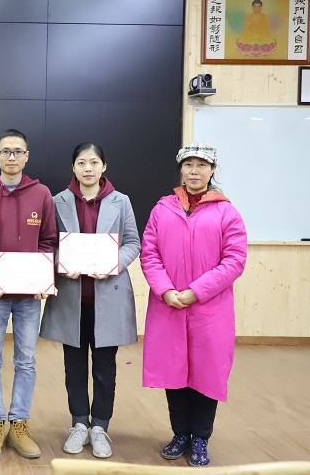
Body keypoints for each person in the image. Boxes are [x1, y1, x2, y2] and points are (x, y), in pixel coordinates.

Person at [140, 143, 247, 467]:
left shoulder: (226, 213)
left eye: (202, 165)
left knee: (206, 373)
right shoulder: (162, 209)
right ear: (181, 169)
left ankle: (200, 436)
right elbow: (150, 253)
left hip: (209, 310)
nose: (194, 171)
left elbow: (234, 260)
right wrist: (165, 290)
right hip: (169, 306)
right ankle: (180, 434)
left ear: (212, 170)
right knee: (173, 371)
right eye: (189, 165)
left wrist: (195, 292)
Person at [39, 142, 140, 459]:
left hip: (108, 296)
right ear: (73, 167)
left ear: (103, 167)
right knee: (74, 366)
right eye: (81, 162)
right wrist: (61, 263)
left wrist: (113, 264)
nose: (88, 168)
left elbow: (133, 243)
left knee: (105, 367)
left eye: (94, 162)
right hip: (72, 298)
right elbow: (48, 243)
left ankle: (100, 427)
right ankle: (79, 423)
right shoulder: (57, 201)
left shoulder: (121, 201)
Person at [0, 128, 56, 460]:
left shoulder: (42, 194)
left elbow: (48, 241)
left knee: (26, 360)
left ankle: (18, 423)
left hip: (29, 297)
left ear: (26, 157)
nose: (12, 157)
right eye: (6, 151)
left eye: (18, 152)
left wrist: (43, 276)